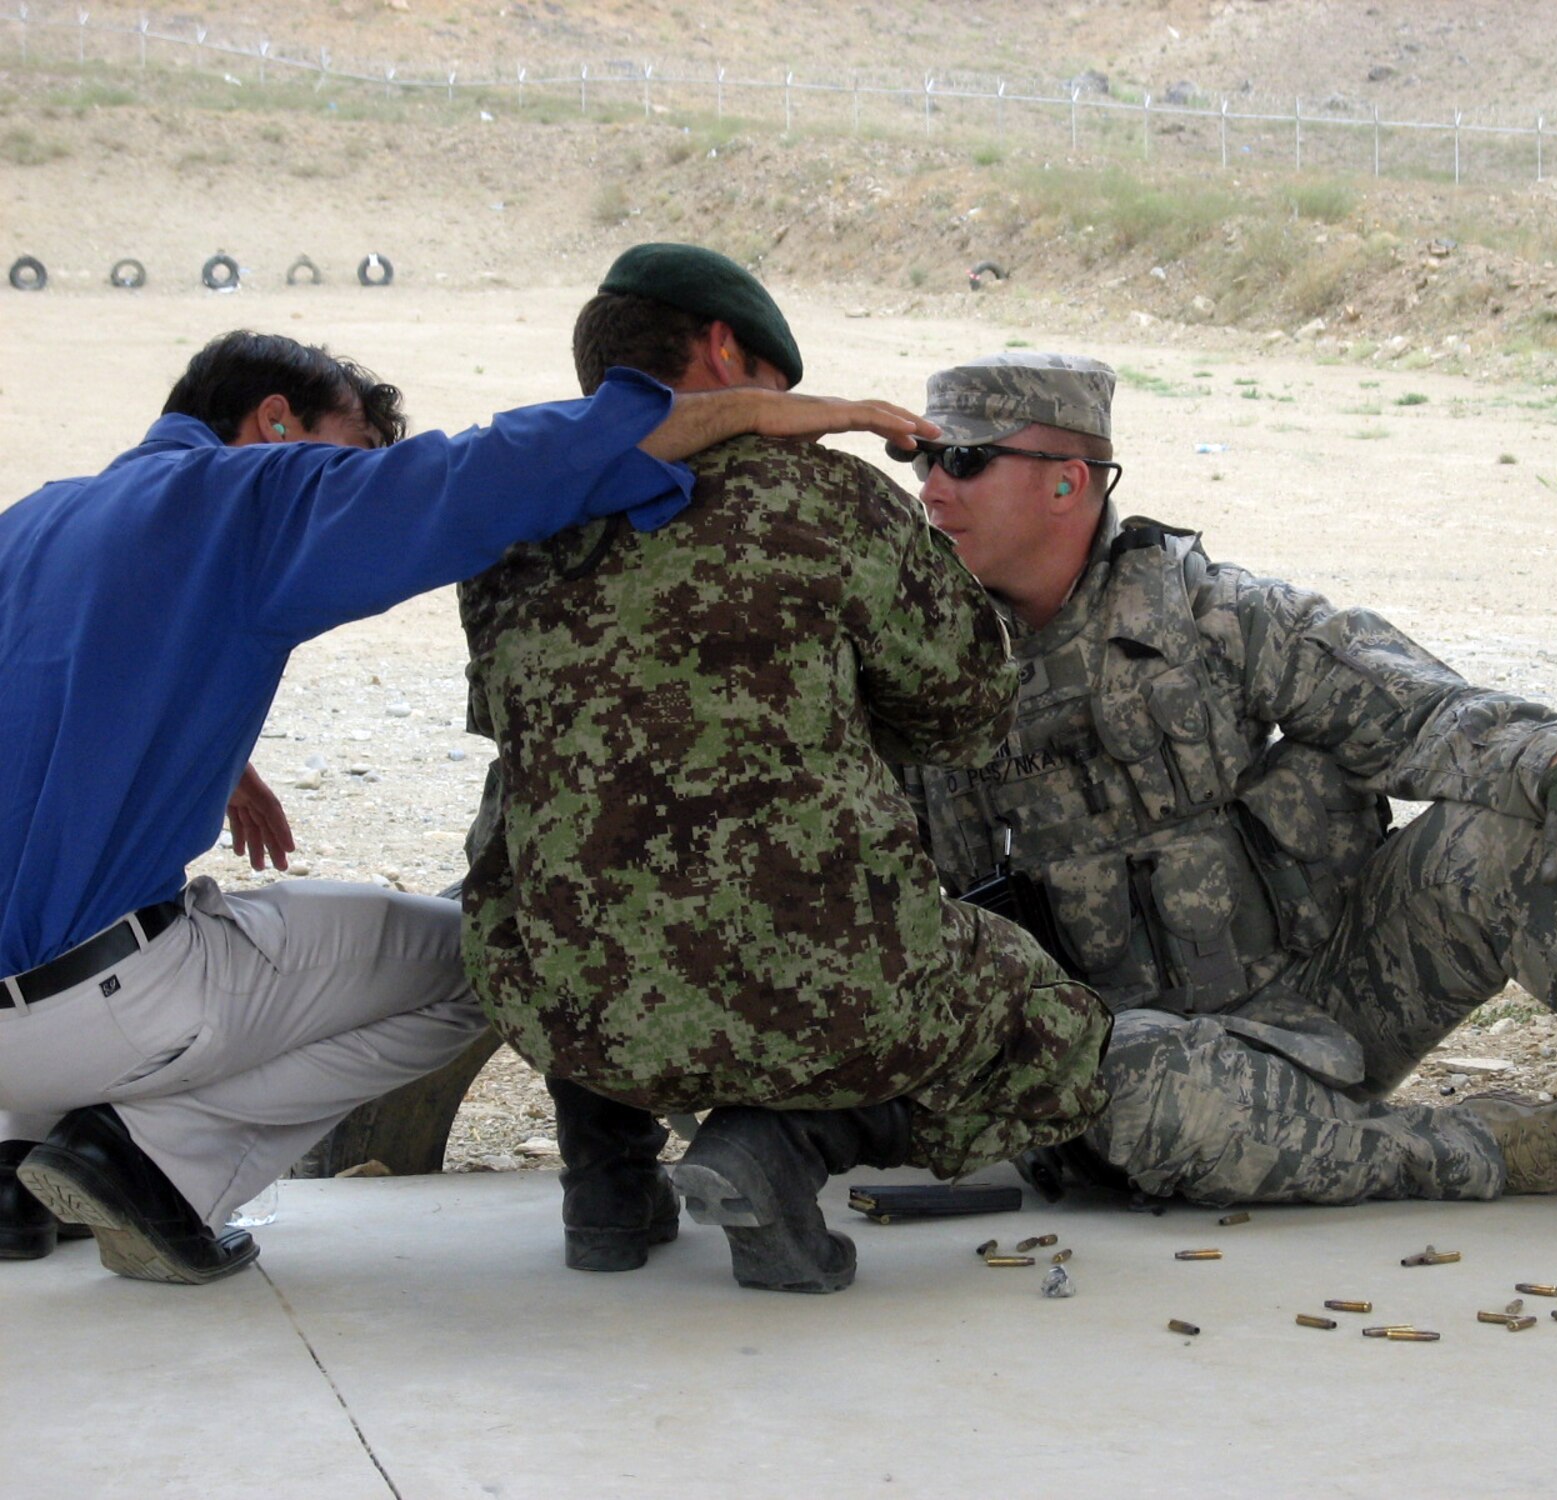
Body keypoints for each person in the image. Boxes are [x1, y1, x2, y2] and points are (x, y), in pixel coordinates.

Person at [893, 351, 1557, 1232]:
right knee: (1124, 1085)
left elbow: (1410, 705)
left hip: (1331, 990)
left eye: (966, 459)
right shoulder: (919, 670)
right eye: (925, 458)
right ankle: (1495, 1149)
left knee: (1517, 842)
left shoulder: (1206, 616)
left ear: (1066, 479)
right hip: (1135, 1069)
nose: (932, 486)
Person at [0, 328, 939, 1284]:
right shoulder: (251, 497)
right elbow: (510, 466)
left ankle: (11, 1175)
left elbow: (68, 675)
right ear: (274, 423)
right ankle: (155, 1160)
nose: (353, 486)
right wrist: (766, 411)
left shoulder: (35, 523)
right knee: (484, 963)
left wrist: (197, 755)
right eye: (353, 460)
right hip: (98, 1004)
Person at [457, 245, 1110, 1295]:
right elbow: (961, 710)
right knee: (1049, 1024)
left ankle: (606, 1187)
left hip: (564, 995)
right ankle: (776, 1150)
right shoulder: (827, 499)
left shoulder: (509, 522)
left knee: (573, 824)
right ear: (721, 348)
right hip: (815, 984)